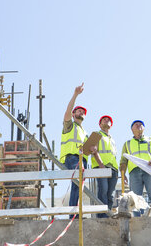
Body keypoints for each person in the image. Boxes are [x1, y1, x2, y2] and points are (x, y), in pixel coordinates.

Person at [120, 120, 151, 217]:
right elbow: (123, 160)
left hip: (149, 170)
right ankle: (138, 218)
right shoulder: (127, 144)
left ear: (144, 129)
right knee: (135, 198)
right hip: (134, 172)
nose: (139, 125)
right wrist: (123, 175)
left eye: (141, 125)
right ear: (132, 129)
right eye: (136, 125)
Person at [60, 83, 88, 218]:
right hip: (72, 158)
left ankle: (75, 213)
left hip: (82, 160)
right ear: (73, 114)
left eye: (83, 112)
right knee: (77, 183)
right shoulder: (69, 125)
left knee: (78, 186)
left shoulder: (83, 132)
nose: (81, 112)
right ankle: (74, 215)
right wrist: (75, 94)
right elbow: (67, 113)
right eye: (78, 111)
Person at [91, 115, 118, 218]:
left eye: (108, 120)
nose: (107, 121)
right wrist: (101, 164)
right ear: (100, 124)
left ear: (111, 125)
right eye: (104, 120)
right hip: (102, 167)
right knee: (103, 191)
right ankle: (102, 217)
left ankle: (108, 214)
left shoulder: (112, 140)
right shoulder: (97, 134)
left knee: (111, 195)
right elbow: (94, 150)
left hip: (113, 169)